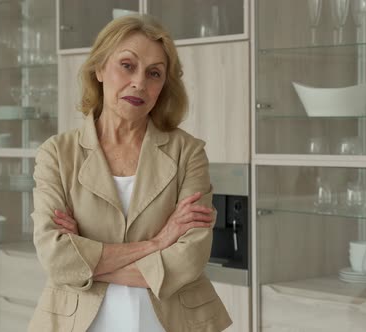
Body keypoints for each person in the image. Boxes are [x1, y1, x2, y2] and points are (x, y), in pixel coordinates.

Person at [28, 14, 232, 332]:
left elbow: (189, 259)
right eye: (127, 65)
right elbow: (56, 258)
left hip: (171, 322)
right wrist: (159, 242)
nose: (139, 82)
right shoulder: (57, 154)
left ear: (164, 85)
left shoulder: (188, 152)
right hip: (78, 323)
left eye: (154, 73)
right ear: (99, 68)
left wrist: (85, 258)